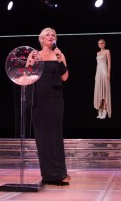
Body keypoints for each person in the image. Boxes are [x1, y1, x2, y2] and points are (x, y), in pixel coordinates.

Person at [27, 27, 70, 186]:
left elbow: (65, 77)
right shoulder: (34, 55)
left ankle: (59, 174)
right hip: (38, 98)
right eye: (48, 34)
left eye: (53, 35)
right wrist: (30, 63)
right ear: (42, 38)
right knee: (42, 137)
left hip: (55, 99)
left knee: (55, 135)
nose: (51, 36)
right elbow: (27, 76)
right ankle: (46, 175)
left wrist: (59, 60)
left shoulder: (59, 54)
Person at [94, 38, 111, 119]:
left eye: (102, 43)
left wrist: (108, 73)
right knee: (99, 92)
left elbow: (109, 63)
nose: (100, 44)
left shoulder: (107, 51)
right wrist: (96, 75)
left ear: (104, 44)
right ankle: (99, 112)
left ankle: (104, 112)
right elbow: (98, 65)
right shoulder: (97, 53)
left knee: (104, 92)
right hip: (98, 73)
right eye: (99, 43)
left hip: (104, 72)